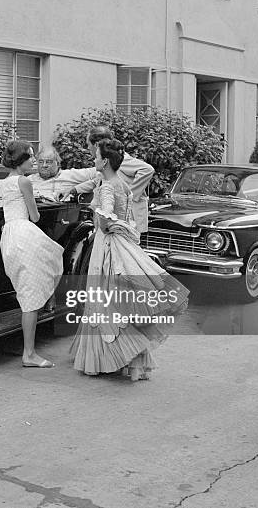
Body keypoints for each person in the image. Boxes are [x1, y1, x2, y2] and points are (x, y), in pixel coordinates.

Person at [70, 138, 188, 380]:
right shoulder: (122, 184)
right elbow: (127, 216)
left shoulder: (106, 187)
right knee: (120, 303)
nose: (93, 159)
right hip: (123, 244)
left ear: (104, 161)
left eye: (96, 156)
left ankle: (111, 359)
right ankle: (134, 361)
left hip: (108, 246)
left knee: (106, 301)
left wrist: (104, 222)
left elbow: (105, 218)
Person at [0, 139, 64, 368]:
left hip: (9, 235)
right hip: (23, 232)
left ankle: (30, 349)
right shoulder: (24, 181)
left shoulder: (6, 181)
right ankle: (29, 354)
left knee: (29, 288)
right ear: (21, 161)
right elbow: (35, 216)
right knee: (53, 262)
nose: (34, 161)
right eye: (30, 157)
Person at [86, 127, 154, 233]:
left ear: (97, 144)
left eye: (88, 144)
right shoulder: (106, 164)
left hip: (128, 221)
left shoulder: (119, 160)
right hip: (120, 222)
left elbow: (148, 170)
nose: (88, 147)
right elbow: (96, 180)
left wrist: (130, 195)